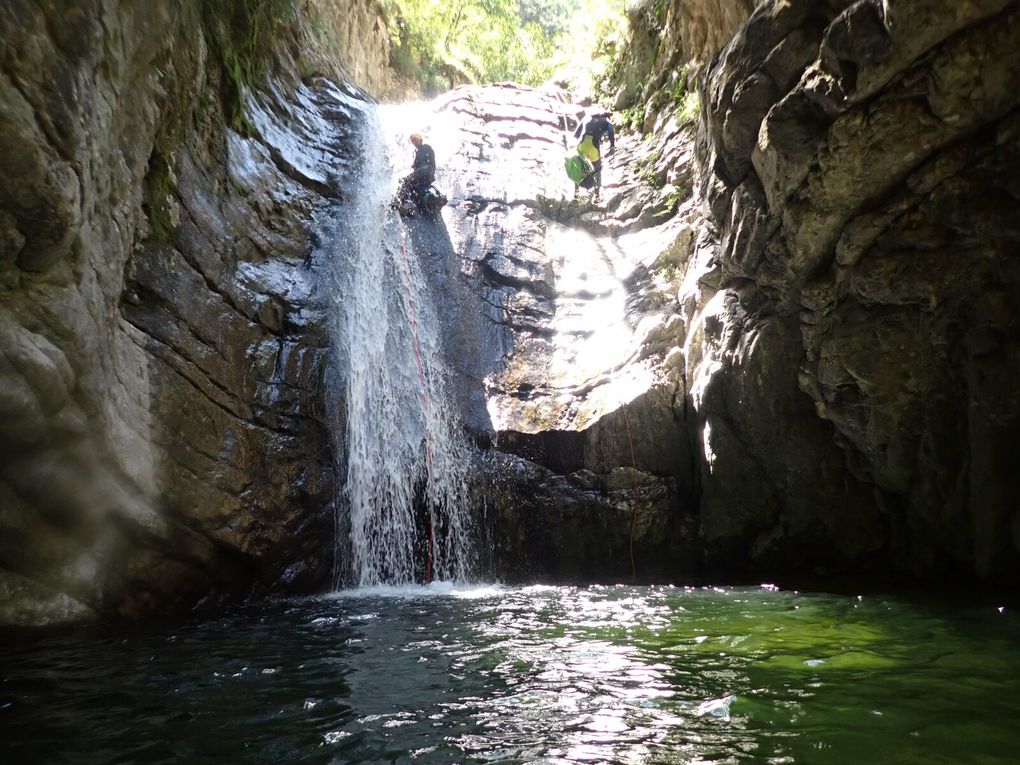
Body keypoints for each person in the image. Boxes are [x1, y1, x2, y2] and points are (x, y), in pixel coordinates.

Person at [573, 110, 615, 200]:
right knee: (598, 169)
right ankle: (597, 196)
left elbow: (576, 134)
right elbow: (611, 133)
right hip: (593, 146)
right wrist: (612, 146)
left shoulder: (586, 118)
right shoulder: (607, 121)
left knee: (578, 168)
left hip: (582, 144)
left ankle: (576, 194)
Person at [398, 133, 436, 206]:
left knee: (405, 180)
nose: (414, 143)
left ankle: (402, 201)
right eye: (413, 141)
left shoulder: (426, 148)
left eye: (416, 140)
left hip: (425, 173)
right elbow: (416, 165)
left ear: (420, 140)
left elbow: (432, 162)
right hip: (421, 174)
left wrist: (432, 175)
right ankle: (404, 200)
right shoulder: (417, 151)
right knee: (405, 182)